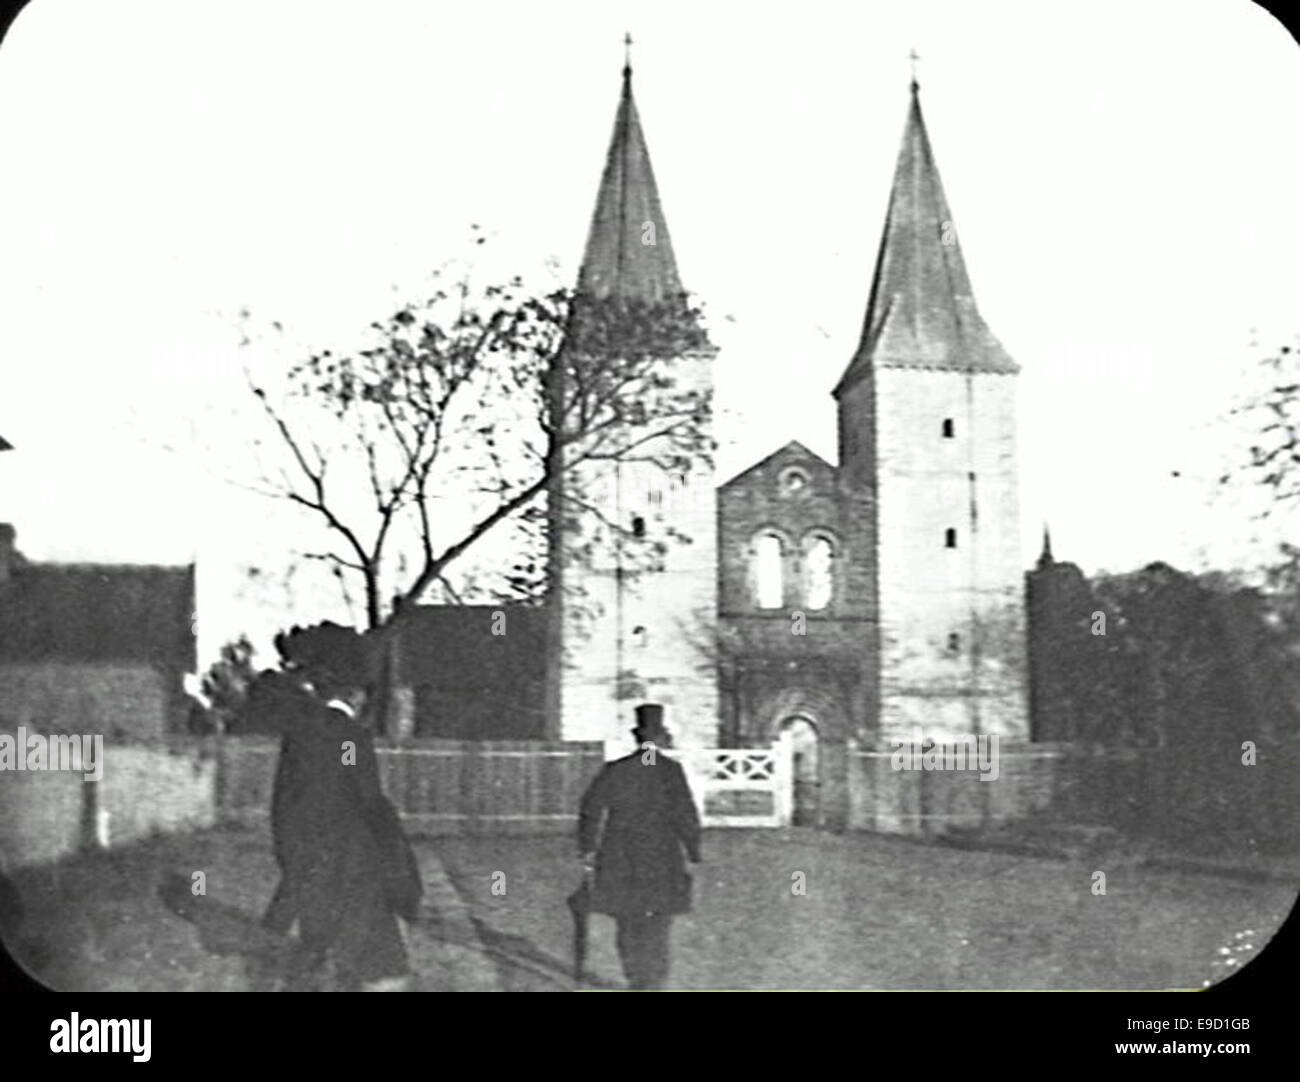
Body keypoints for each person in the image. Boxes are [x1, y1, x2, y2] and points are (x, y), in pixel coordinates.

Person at [259, 629, 422, 992]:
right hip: (352, 867)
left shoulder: (298, 735)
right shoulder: (350, 737)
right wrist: (394, 851)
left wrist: (291, 860)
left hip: (308, 865)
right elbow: (368, 800)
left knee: (316, 953)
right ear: (358, 696)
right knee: (380, 967)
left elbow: (282, 805)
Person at [577, 703, 702, 990]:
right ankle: (654, 981)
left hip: (621, 854)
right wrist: (693, 848)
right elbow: (685, 812)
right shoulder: (670, 771)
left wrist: (587, 848)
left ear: (637, 738)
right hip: (662, 855)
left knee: (627, 919)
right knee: (658, 922)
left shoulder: (615, 770)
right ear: (658, 738)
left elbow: (590, 808)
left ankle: (635, 977)